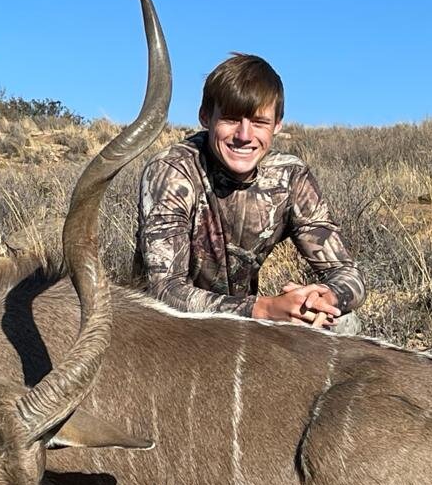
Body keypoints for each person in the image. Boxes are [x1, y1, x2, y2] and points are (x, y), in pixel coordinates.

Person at [135, 53, 365, 331]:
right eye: (231, 119)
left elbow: (347, 273)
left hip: (245, 327)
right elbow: (164, 291)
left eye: (259, 122)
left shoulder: (291, 176)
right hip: (172, 330)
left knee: (343, 322)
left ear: (278, 124)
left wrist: (322, 298)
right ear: (205, 117)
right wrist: (264, 308)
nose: (244, 135)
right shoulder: (172, 170)